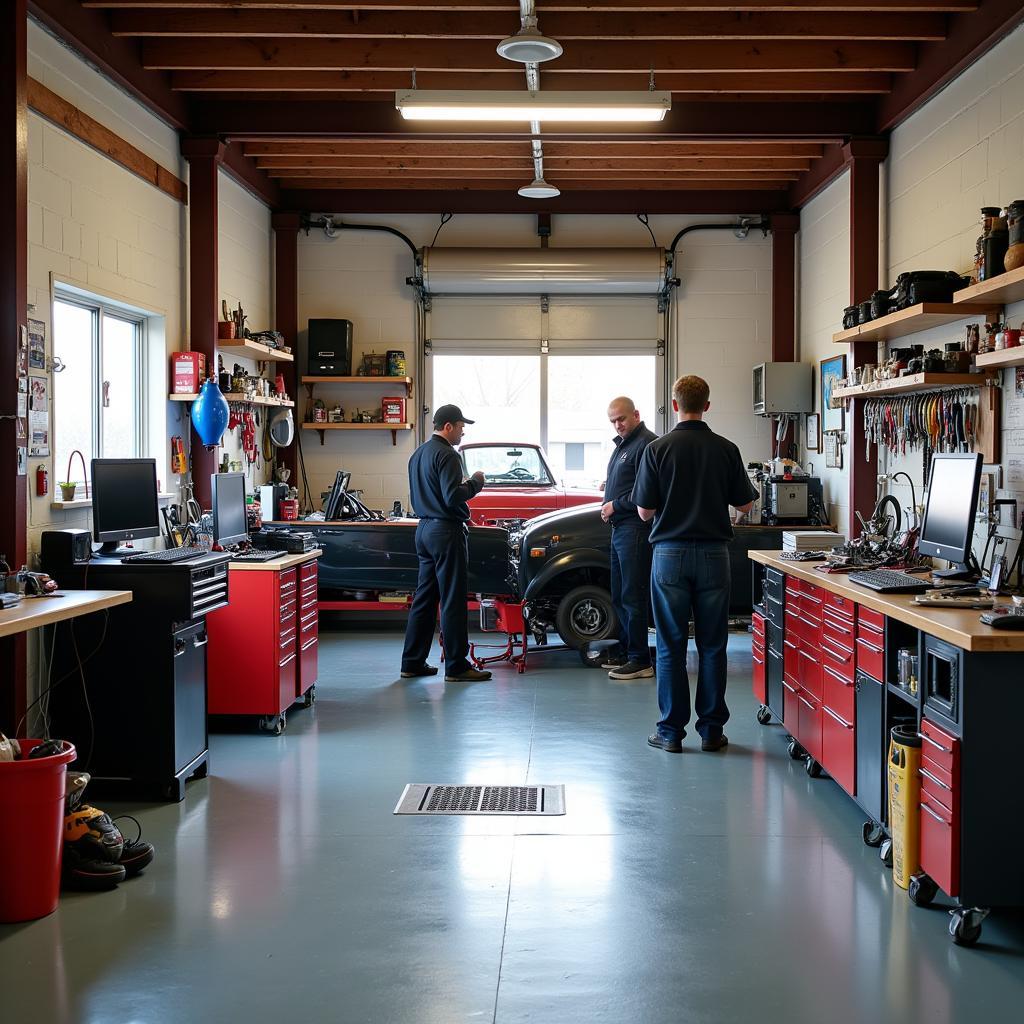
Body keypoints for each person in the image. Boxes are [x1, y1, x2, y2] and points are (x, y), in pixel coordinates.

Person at [632, 375, 758, 753]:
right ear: (707, 405)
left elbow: (643, 511)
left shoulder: (656, 449)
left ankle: (670, 733)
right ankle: (711, 731)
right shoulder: (726, 449)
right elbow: (747, 505)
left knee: (670, 646)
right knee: (713, 645)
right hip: (714, 556)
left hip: (668, 555)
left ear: (674, 405)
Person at [400, 404, 492, 683]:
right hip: (446, 532)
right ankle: (456, 665)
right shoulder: (448, 455)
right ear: (448, 426)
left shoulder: (417, 455)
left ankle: (412, 662)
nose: (463, 431)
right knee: (452, 599)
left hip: (424, 530)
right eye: (461, 426)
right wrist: (476, 483)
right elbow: (453, 496)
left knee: (425, 599)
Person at [600, 396, 657, 680]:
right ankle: (626, 651)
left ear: (636, 414)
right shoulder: (625, 445)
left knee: (633, 596)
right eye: (612, 421)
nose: (617, 425)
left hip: (635, 529)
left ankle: (640, 659)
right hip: (619, 529)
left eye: (621, 419)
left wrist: (614, 504)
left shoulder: (646, 444)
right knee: (620, 594)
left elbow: (646, 492)